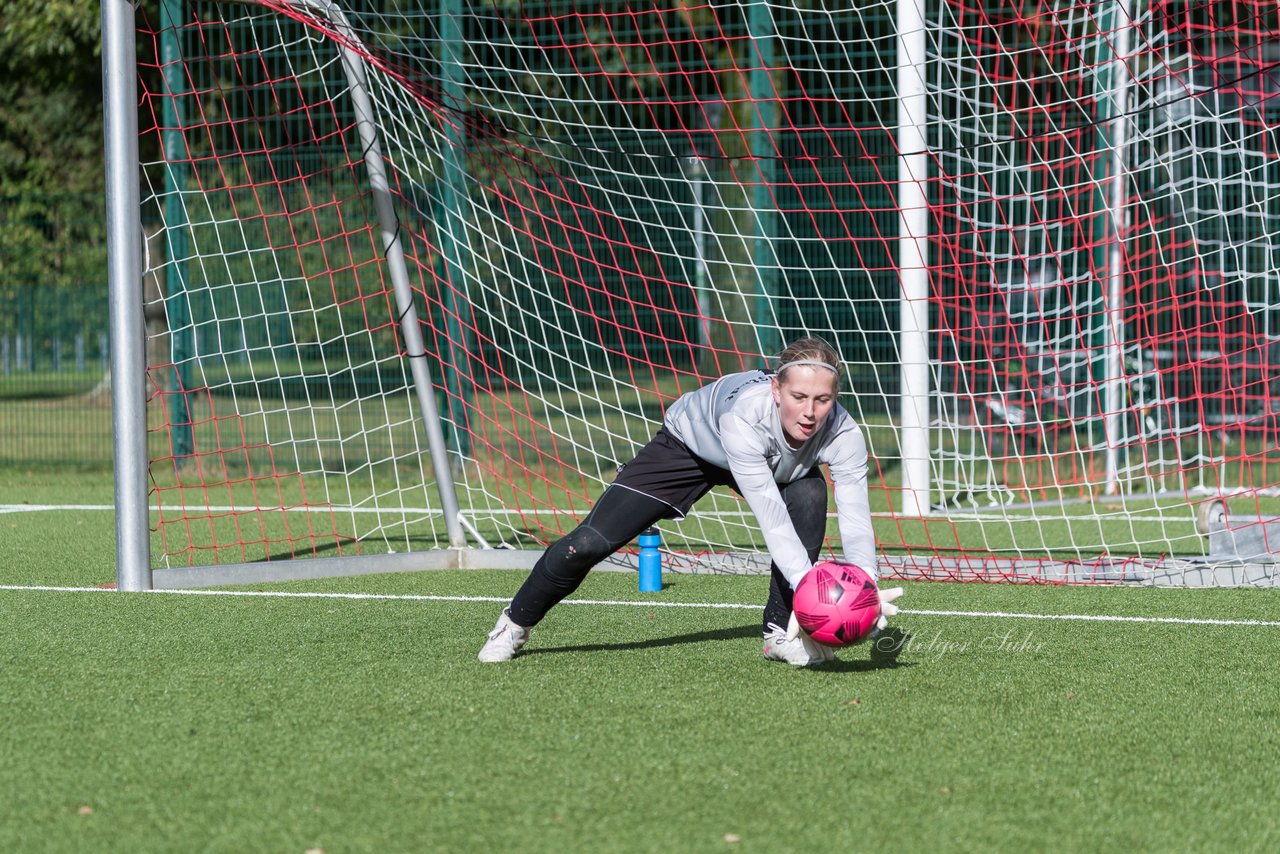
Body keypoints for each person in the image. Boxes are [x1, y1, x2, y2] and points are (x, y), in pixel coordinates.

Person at [477, 336, 903, 666]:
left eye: (823, 400)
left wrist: (866, 589)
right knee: (584, 545)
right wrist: (815, 591)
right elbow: (771, 520)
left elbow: (856, 519)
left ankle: (779, 635)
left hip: (774, 464)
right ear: (776, 390)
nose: (810, 412)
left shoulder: (844, 434)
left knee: (810, 494)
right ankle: (515, 622)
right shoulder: (744, 419)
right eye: (798, 397)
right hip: (689, 446)